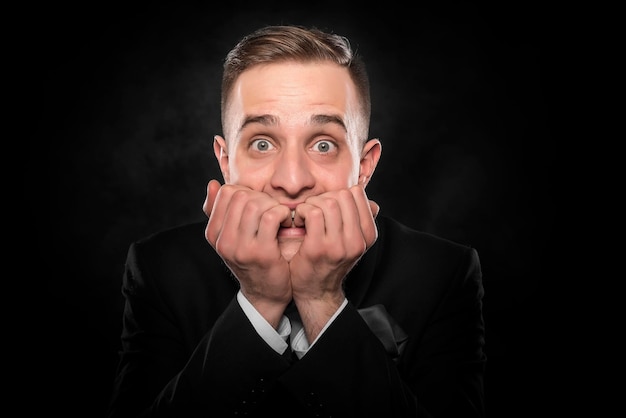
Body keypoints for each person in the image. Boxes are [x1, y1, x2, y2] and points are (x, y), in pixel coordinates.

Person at [107, 24, 486, 417]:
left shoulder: (441, 274)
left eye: (324, 145)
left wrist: (321, 300)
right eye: (262, 143)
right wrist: (260, 300)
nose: (292, 181)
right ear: (225, 162)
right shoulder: (161, 268)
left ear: (363, 167)